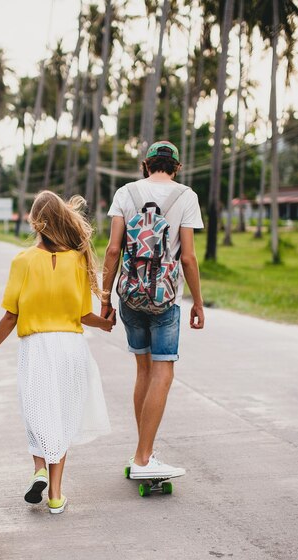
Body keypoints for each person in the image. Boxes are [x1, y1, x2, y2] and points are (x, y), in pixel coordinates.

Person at [0, 191, 114, 514]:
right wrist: (103, 324)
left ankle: (38, 471)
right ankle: (56, 496)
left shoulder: (23, 261)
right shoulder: (77, 259)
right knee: (59, 416)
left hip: (37, 347)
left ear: (35, 222)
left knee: (37, 411)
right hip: (71, 347)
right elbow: (82, 314)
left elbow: (11, 315)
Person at [101, 140, 205, 479]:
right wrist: (198, 303)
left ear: (146, 165)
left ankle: (142, 452)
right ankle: (144, 458)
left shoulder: (125, 193)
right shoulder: (186, 196)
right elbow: (187, 257)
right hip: (165, 299)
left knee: (143, 371)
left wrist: (105, 298)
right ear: (176, 167)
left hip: (129, 296)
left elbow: (113, 250)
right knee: (163, 373)